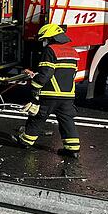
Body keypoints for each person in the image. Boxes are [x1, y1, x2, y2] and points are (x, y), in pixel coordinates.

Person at [14, 24, 80, 158]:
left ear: (51, 38)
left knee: (38, 117)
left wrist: (34, 87)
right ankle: (73, 148)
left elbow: (46, 73)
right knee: (67, 120)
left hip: (50, 93)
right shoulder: (72, 51)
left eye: (45, 39)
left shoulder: (50, 50)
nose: (44, 42)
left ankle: (26, 141)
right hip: (68, 95)